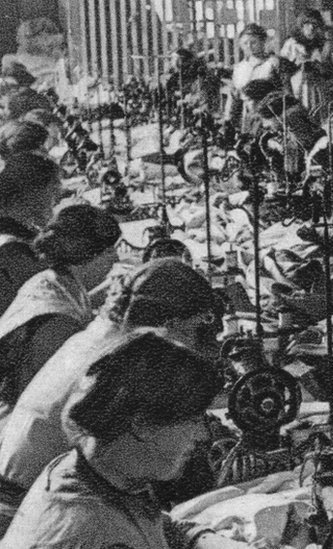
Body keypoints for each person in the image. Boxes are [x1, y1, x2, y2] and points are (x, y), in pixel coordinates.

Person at [0, 259, 221, 534]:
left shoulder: (94, 338)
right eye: (193, 329)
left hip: (30, 495)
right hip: (34, 512)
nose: (194, 341)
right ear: (171, 324)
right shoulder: (121, 361)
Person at [0, 333, 254, 549]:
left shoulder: (88, 469)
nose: (202, 435)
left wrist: (203, 539)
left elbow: (151, 522)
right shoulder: (94, 530)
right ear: (142, 424)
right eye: (193, 420)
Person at [0, 205, 120, 421]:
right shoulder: (58, 323)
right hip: (17, 421)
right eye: (110, 251)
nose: (116, 259)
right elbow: (51, 394)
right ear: (87, 253)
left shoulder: (54, 280)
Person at [0, 153, 61, 315]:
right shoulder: (12, 248)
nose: (56, 199)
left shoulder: (14, 227)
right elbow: (47, 307)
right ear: (31, 193)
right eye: (52, 190)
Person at [226, 24, 289, 131]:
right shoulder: (239, 68)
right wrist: (228, 118)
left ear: (263, 41)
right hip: (246, 116)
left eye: (253, 42)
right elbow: (233, 95)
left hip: (271, 115)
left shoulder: (273, 63)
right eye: (245, 43)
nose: (249, 46)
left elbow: (286, 91)